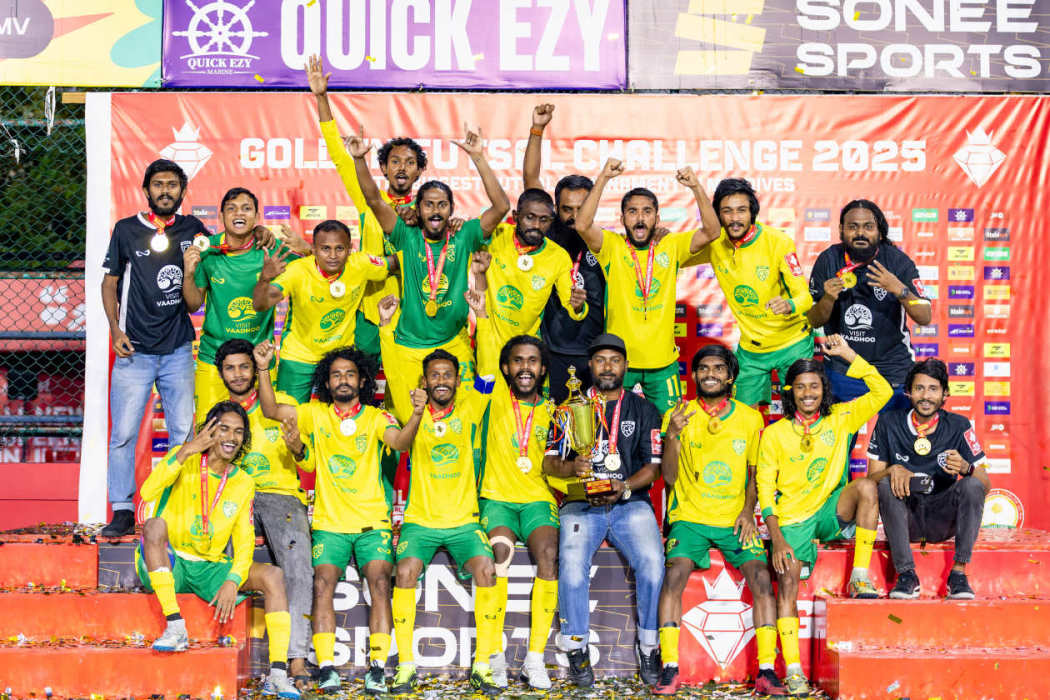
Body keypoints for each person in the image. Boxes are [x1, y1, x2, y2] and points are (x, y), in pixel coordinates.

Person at [255, 340, 423, 695]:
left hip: (372, 522)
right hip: (330, 524)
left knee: (380, 584)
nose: (343, 379)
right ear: (326, 381)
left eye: (349, 374)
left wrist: (417, 415)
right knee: (321, 586)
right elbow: (270, 409)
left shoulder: (376, 418)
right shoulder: (315, 414)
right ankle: (328, 667)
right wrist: (263, 368)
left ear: (362, 380)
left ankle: (377, 668)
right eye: (335, 375)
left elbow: (400, 443)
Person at [376, 296, 504, 696]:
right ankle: (406, 667)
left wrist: (482, 317)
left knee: (487, 570)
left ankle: (483, 665)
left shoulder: (471, 406)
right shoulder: (411, 409)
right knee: (405, 572)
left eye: (448, 374)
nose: (442, 381)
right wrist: (385, 327)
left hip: (464, 521)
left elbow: (488, 369)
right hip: (421, 520)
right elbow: (393, 365)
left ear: (457, 379)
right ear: (425, 381)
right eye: (435, 376)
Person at [135, 401, 300, 698]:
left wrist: (233, 580)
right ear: (209, 430)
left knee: (273, 576)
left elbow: (245, 539)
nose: (231, 437)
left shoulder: (243, 482)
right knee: (155, 526)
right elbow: (147, 492)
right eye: (223, 428)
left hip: (209, 568)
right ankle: (176, 627)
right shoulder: (183, 457)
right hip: (171, 561)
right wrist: (187, 450)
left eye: (238, 432)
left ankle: (277, 674)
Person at [348, 124, 510, 423]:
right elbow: (373, 200)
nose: (435, 211)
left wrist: (478, 157)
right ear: (418, 209)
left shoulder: (464, 235)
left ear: (451, 209)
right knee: (410, 420)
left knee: (464, 417)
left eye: (442, 205)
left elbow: (501, 206)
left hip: (453, 344)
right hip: (408, 347)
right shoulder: (406, 236)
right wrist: (359, 160)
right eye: (429, 205)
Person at [757, 335, 890, 695]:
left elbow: (882, 392)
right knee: (787, 584)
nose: (808, 393)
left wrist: (848, 355)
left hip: (831, 510)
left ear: (823, 389)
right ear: (790, 392)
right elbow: (765, 491)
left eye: (814, 386)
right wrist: (778, 539)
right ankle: (794, 669)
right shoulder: (774, 434)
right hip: (793, 520)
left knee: (866, 487)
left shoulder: (841, 417)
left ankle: (859, 577)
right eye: (801, 387)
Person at [653, 345, 784, 696]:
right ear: (694, 375)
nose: (710, 374)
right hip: (689, 518)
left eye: (718, 368)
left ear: (730, 377)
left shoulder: (751, 419)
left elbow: (755, 474)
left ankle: (767, 670)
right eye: (704, 368)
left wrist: (747, 511)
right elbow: (668, 477)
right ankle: (669, 667)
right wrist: (673, 434)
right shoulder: (677, 415)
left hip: (734, 520)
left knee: (761, 577)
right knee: (674, 576)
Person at [544, 333, 666, 688]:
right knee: (571, 566)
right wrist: (572, 467)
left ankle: (649, 645)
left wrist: (623, 486)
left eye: (615, 360)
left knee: (652, 563)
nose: (608, 367)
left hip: (630, 502)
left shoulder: (643, 410)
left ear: (625, 366)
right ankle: (577, 648)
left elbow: (653, 467)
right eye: (600, 360)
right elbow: (549, 462)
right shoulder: (569, 408)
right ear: (590, 365)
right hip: (580, 504)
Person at [100, 159, 209, 537]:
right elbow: (109, 284)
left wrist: (258, 234)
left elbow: (225, 250)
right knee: (123, 435)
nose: (165, 191)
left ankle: (179, 506)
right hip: (134, 351)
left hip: (177, 349)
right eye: (158, 185)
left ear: (183, 191)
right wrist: (115, 330)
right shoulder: (126, 229)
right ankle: (122, 509)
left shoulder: (193, 229)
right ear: (146, 190)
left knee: (183, 433)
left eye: (172, 185)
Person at [465, 289, 560, 690]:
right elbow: (486, 357)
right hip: (498, 498)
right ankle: (493, 655)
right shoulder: (492, 398)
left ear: (542, 369)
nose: (525, 367)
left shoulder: (555, 410)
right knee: (499, 556)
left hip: (537, 498)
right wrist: (483, 315)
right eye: (518, 360)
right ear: (506, 368)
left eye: (532, 361)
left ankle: (535, 659)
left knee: (550, 556)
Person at [575, 160, 720, 413]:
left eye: (647, 211)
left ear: (657, 218)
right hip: (619, 361)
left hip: (662, 364)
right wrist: (603, 178)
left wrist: (696, 186)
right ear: (622, 218)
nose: (640, 218)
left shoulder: (671, 245)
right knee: (611, 427)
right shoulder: (611, 246)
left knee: (671, 427)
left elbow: (712, 231)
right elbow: (582, 225)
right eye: (632, 212)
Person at [209, 339, 314, 689]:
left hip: (280, 495)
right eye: (230, 368)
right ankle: (220, 642)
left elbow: (308, 462)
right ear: (221, 373)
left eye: (244, 366)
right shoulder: (217, 414)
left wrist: (297, 448)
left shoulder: (283, 406)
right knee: (214, 556)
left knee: (297, 565)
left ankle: (295, 658)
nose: (238, 374)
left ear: (256, 370)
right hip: (234, 492)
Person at [306, 54, 421, 362]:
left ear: (419, 171)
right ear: (382, 167)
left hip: (413, 312)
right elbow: (338, 154)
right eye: (395, 161)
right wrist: (321, 98)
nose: (402, 168)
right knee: (364, 382)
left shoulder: (428, 210)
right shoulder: (369, 200)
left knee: (407, 385)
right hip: (369, 309)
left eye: (410, 163)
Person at [868, 358, 989, 600]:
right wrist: (892, 470)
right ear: (908, 392)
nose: (925, 396)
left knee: (972, 484)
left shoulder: (959, 425)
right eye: (919, 388)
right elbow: (871, 478)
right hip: (906, 517)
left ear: (945, 394)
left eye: (933, 389)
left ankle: (958, 574)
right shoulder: (889, 422)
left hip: (943, 518)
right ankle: (906, 575)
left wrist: (966, 467)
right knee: (884, 484)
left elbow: (985, 484)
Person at [183, 188, 308, 419]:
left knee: (264, 432)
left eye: (246, 208)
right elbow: (193, 305)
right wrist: (188, 275)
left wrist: (307, 249)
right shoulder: (208, 250)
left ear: (257, 216)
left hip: (259, 359)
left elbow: (318, 269)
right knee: (208, 429)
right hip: (213, 358)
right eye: (231, 209)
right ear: (221, 216)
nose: (239, 213)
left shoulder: (271, 249)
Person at [698, 178, 814, 407]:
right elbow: (677, 253)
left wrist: (789, 305)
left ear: (752, 212)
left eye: (741, 210)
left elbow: (806, 298)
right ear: (718, 215)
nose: (735, 218)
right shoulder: (714, 243)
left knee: (801, 415)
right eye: (727, 211)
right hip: (752, 351)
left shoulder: (778, 242)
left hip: (793, 343)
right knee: (743, 417)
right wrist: (662, 239)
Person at [808, 199, 932, 409]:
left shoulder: (897, 261)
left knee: (896, 430)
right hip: (843, 369)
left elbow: (925, 316)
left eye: (868, 227)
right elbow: (813, 320)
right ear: (841, 230)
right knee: (840, 431)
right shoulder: (829, 259)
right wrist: (828, 298)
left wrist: (899, 289)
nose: (860, 233)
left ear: (880, 232)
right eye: (853, 227)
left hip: (892, 369)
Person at [251, 219, 393, 402]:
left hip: (339, 356)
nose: (333, 255)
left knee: (342, 413)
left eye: (339, 248)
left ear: (350, 249)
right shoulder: (297, 270)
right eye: (325, 249)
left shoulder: (360, 264)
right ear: (313, 249)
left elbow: (395, 262)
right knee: (288, 412)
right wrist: (264, 278)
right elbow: (260, 305)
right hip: (299, 355)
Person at [523, 104, 604, 400]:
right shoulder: (549, 232)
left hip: (595, 352)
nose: (574, 216)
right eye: (567, 209)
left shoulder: (605, 242)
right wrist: (537, 129)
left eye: (582, 208)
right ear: (556, 208)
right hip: (550, 350)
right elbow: (530, 181)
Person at [473, 187, 587, 364]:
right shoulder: (496, 234)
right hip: (489, 344)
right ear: (516, 216)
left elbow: (571, 305)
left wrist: (578, 306)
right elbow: (467, 233)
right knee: (486, 382)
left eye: (544, 220)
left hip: (528, 349)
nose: (536, 226)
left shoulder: (558, 256)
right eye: (530, 217)